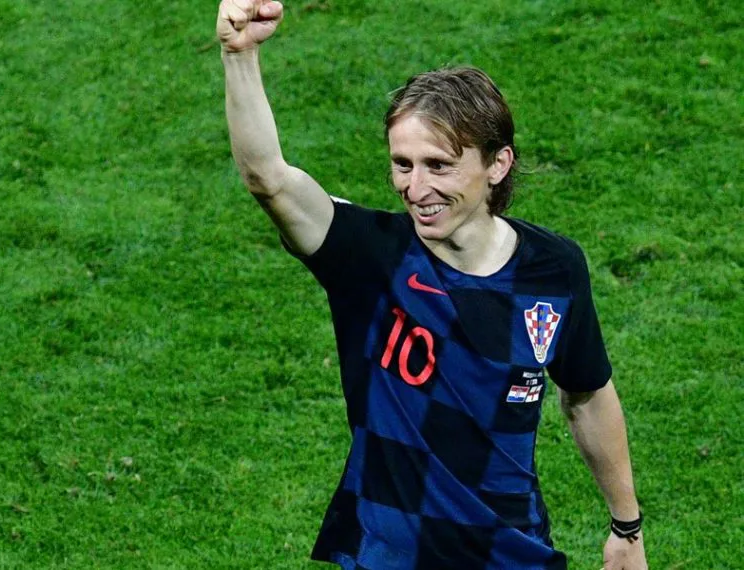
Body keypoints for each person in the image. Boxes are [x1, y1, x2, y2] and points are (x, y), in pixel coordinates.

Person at [216, 1, 648, 569]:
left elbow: (588, 395)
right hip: (393, 554)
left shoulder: (554, 269)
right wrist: (239, 54)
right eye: (403, 164)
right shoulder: (371, 257)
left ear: (497, 164)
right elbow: (267, 177)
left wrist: (626, 527)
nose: (415, 188)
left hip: (511, 552)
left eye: (438, 165)